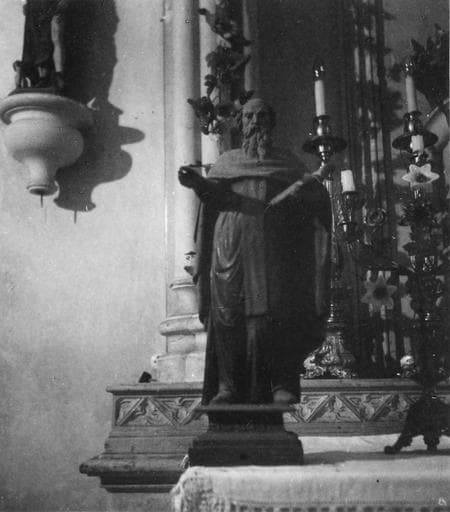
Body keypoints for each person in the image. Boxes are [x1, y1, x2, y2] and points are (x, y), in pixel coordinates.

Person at [179, 98, 331, 405]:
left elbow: (311, 204)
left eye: (262, 115)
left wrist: (308, 190)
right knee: (228, 312)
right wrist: (196, 183)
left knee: (276, 311)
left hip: (275, 243)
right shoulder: (227, 161)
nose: (255, 121)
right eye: (249, 116)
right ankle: (228, 386)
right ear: (240, 123)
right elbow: (214, 197)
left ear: (271, 122)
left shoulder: (287, 162)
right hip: (231, 241)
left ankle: (279, 383)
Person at [16, 0, 69, 90]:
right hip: (36, 6)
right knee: (38, 42)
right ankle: (44, 77)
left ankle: (57, 75)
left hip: (51, 5)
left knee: (53, 39)